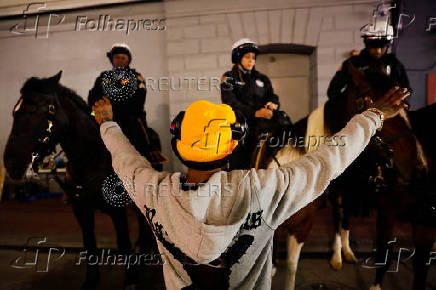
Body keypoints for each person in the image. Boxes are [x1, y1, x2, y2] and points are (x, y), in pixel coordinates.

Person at [92, 85, 408, 289]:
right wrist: (372, 116)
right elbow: (327, 160)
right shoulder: (262, 188)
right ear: (230, 148)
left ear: (178, 147)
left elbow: (125, 159)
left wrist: (107, 123)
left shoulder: (152, 191)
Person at [88, 43, 167, 167]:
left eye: (123, 58)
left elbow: (137, 102)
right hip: (104, 118)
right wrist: (96, 111)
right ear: (112, 59)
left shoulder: (136, 78)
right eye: (117, 57)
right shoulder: (103, 77)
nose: (119, 60)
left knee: (142, 143)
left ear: (128, 60)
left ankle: (146, 166)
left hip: (131, 120)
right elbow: (93, 97)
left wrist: (111, 108)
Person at [220, 38, 291, 169]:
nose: (251, 60)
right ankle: (238, 173)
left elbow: (272, 95)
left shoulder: (262, 78)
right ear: (238, 58)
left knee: (285, 122)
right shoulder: (229, 77)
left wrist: (272, 104)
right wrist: (255, 113)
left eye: (253, 57)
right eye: (247, 57)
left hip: (263, 121)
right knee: (240, 145)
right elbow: (230, 103)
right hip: (242, 122)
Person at [327, 4, 410, 101]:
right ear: (367, 45)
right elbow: (333, 91)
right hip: (358, 112)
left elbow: (407, 90)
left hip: (387, 111)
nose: (378, 51)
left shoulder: (394, 64)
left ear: (387, 46)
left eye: (382, 47)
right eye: (374, 47)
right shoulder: (353, 64)